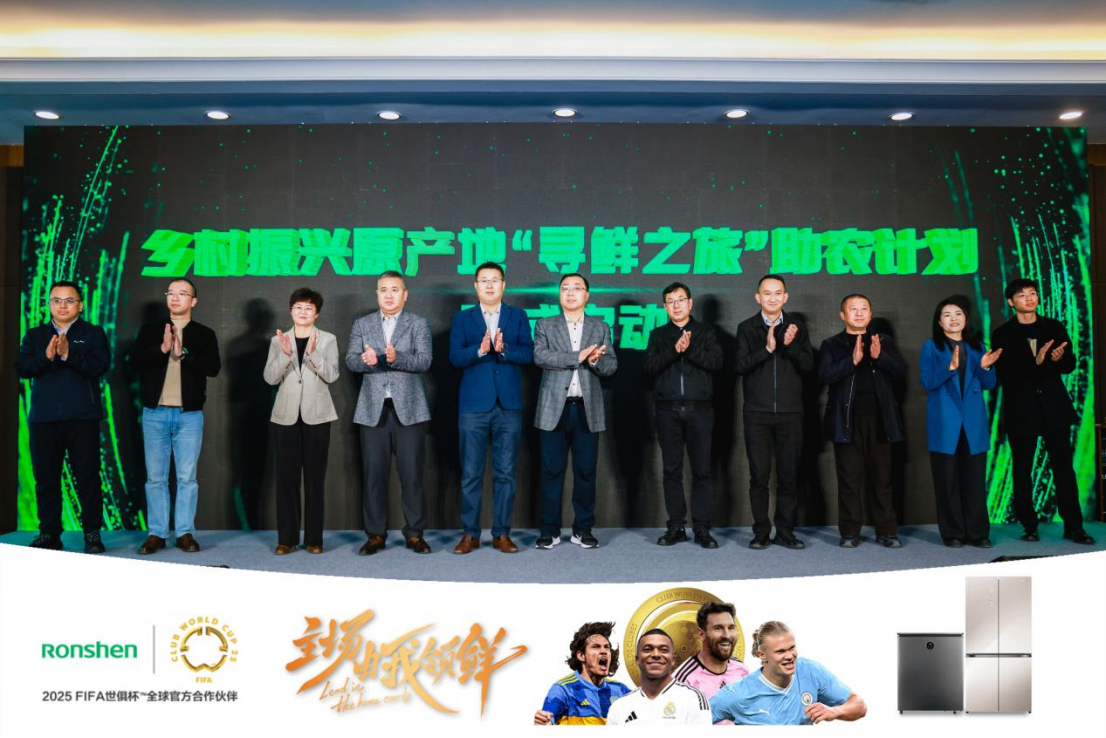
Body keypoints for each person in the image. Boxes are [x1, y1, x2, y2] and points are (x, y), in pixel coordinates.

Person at [991, 278, 1094, 544]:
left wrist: (1060, 360)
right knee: (1022, 470)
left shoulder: (1053, 326)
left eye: (1033, 293)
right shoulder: (1003, 333)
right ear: (1011, 301)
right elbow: (1005, 375)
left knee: (1064, 469)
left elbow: (1070, 364)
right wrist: (1035, 363)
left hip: (1053, 409)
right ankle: (1029, 525)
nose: (1029, 298)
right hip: (1021, 410)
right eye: (1022, 295)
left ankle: (1074, 526)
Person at [16, 281, 111, 553]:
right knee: (46, 480)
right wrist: (45, 358)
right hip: (44, 420)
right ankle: (49, 534)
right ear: (49, 304)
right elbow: (22, 368)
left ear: (80, 305)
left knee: (88, 477)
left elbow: (100, 366)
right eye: (56, 300)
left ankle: (92, 534)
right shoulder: (35, 335)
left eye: (69, 300)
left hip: (83, 418)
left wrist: (69, 355)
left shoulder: (93, 333)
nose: (62, 306)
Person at [130, 278, 221, 554]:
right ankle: (156, 533)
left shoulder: (204, 334)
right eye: (171, 293)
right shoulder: (150, 330)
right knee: (155, 478)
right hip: (155, 413)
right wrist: (162, 349)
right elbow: (136, 362)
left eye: (182, 294)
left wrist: (183, 354)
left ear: (193, 301)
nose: (175, 298)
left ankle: (184, 532)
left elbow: (213, 368)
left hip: (188, 415)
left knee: (187, 478)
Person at [449, 262, 534, 554]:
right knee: (471, 473)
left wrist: (504, 348)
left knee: (506, 472)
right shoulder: (463, 318)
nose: (489, 285)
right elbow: (455, 357)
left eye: (494, 280)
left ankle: (501, 533)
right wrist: (481, 350)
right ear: (475, 286)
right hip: (473, 406)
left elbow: (529, 353)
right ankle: (470, 534)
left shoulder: (517, 316)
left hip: (508, 405)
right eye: (483, 280)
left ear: (503, 285)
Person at [346, 271, 434, 556]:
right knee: (373, 476)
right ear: (377, 293)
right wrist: (368, 361)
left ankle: (415, 534)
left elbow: (424, 360)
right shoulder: (362, 324)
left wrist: (395, 358)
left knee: (412, 476)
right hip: (373, 411)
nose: (389, 295)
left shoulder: (418, 323)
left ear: (405, 295)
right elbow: (350, 361)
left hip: (409, 410)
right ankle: (375, 535)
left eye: (395, 290)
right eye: (383, 289)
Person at [533, 273, 618, 550]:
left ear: (587, 295)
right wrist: (578, 356)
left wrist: (594, 361)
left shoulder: (600, 327)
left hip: (586, 409)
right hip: (553, 410)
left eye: (577, 288)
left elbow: (611, 366)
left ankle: (583, 529)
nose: (571, 293)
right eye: (565, 288)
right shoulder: (545, 324)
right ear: (559, 294)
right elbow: (540, 356)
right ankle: (549, 531)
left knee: (586, 472)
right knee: (551, 472)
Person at [818, 294, 907, 548]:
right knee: (849, 480)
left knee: (882, 480)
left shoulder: (884, 342)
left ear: (870, 313)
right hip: (846, 421)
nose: (859, 313)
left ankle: (887, 531)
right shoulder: (832, 344)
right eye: (853, 309)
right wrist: (852, 361)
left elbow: (900, 372)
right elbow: (824, 375)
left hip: (880, 421)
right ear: (842, 315)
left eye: (864, 309)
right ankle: (850, 532)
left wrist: (880, 358)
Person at [735, 275, 814, 550]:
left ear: (785, 297)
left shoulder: (797, 328)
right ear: (758, 297)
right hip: (757, 413)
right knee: (759, 477)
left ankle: (785, 531)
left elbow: (808, 366)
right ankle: (760, 532)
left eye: (777, 293)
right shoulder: (746, 328)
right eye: (767, 293)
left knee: (788, 477)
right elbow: (740, 366)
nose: (772, 298)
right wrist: (767, 349)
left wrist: (790, 346)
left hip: (791, 413)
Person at [643, 282, 723, 549]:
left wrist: (690, 350)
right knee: (671, 470)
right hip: (667, 411)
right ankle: (676, 526)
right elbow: (649, 367)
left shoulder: (706, 332)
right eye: (670, 301)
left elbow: (717, 363)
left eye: (680, 300)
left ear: (690, 303)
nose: (676, 305)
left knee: (702, 471)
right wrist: (673, 351)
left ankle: (702, 528)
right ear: (664, 306)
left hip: (700, 411)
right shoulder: (657, 334)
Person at [920, 295, 1001, 548]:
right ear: (939, 322)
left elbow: (989, 385)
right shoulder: (932, 347)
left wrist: (986, 367)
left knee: (974, 481)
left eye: (958, 314)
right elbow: (927, 382)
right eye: (947, 315)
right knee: (947, 482)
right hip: (945, 424)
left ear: (966, 319)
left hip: (973, 424)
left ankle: (978, 533)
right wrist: (949, 368)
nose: (953, 319)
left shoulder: (979, 347)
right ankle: (952, 533)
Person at [263, 287, 339, 555]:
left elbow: (332, 375)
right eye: (298, 307)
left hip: (317, 415)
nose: (303, 312)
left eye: (309, 308)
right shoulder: (278, 340)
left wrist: (313, 353)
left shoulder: (328, 339)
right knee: (286, 479)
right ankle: (287, 538)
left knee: (315, 479)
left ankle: (315, 539)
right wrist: (286, 354)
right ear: (290, 311)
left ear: (316, 313)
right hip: (285, 416)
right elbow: (269, 378)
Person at [710, 621, 866, 725]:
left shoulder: (810, 672)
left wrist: (836, 711)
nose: (790, 656)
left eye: (792, 648)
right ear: (761, 655)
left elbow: (859, 705)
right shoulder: (738, 694)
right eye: (780, 651)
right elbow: (696, 720)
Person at [605, 629, 712, 725]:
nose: (656, 654)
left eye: (664, 650)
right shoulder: (619, 707)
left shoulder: (693, 699)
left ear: (673, 659)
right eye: (648, 649)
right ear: (637, 659)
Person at [534, 622, 631, 725]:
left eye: (606, 647)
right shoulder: (564, 689)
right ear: (581, 655)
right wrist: (543, 722)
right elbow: (546, 722)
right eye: (596, 647)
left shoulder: (621, 690)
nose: (604, 651)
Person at [673, 601, 749, 726]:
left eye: (731, 628)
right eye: (718, 628)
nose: (727, 635)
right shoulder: (684, 679)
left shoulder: (741, 669)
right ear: (701, 634)